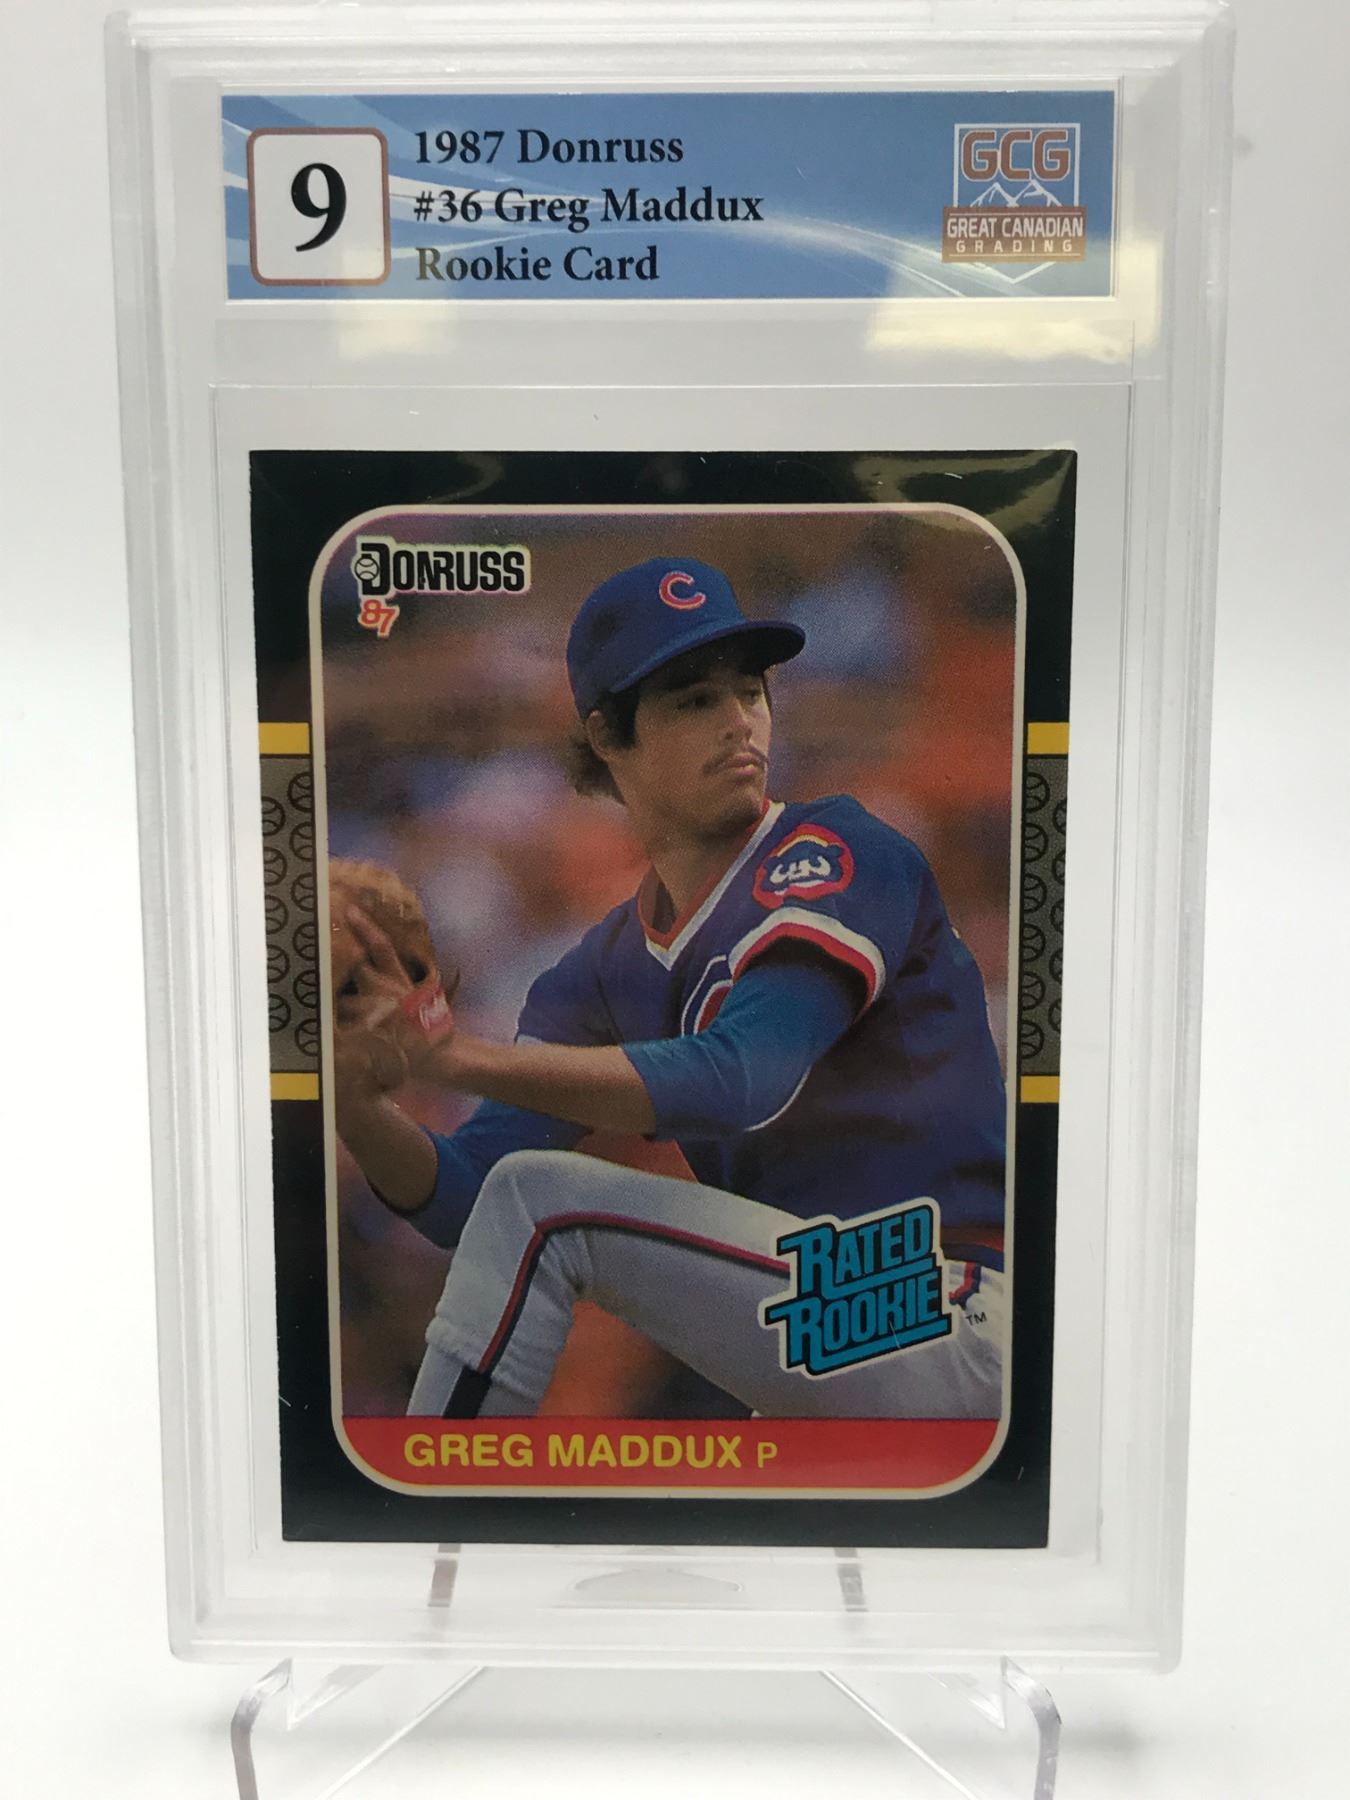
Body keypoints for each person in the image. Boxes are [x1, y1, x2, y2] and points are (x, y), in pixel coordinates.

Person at [334, 556, 1007, 1420]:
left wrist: (450, 1056)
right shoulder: (602, 970)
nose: (738, 722)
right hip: (820, 1327)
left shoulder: (841, 851)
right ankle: (444, 1480)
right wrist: (351, 1097)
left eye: (750, 691)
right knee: (518, 1201)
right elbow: (464, 1200)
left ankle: (434, 1485)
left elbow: (742, 1076)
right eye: (694, 701)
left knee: (543, 1204)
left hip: (936, 1298)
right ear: (607, 736)